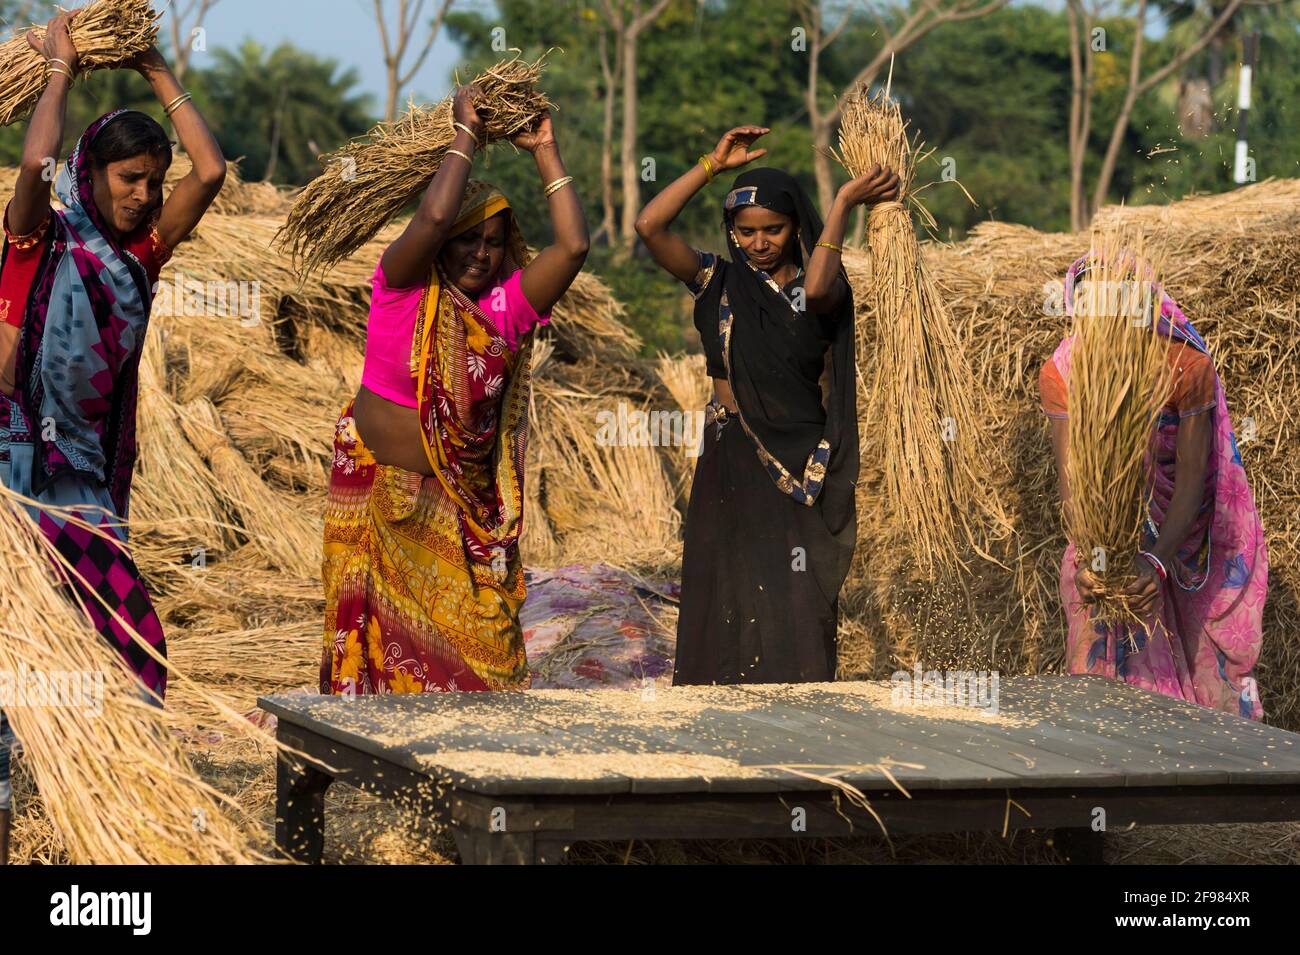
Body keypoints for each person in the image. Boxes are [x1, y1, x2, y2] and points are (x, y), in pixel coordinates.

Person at [0, 11, 227, 863]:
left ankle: (114, 806)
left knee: (131, 643)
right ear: (89, 175)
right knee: (12, 660)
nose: (144, 193)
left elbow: (211, 167)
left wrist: (158, 69)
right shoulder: (37, 241)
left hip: (87, 485)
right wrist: (59, 69)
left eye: (151, 180)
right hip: (14, 477)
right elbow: (32, 160)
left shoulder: (145, 255)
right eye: (129, 177)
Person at [321, 86, 588, 695]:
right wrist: (464, 134)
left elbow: (573, 246)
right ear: (442, 245)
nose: (482, 253)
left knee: (486, 656)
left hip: (459, 503)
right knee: (379, 654)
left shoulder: (503, 311)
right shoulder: (402, 286)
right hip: (375, 494)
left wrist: (546, 149)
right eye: (469, 239)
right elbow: (434, 215)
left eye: (495, 242)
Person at [635, 126, 898, 684]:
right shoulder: (717, 282)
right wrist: (711, 166)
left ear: (797, 225)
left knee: (794, 589)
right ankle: (724, 700)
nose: (759, 242)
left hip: (798, 461)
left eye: (773, 229)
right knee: (724, 578)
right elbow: (648, 226)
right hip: (732, 452)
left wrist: (844, 202)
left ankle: (795, 703)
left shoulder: (813, 290)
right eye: (745, 231)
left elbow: (823, 287)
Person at [1040, 252, 1268, 719]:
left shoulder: (1185, 366)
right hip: (1102, 542)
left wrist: (1155, 562)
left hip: (1186, 543)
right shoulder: (1064, 372)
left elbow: (1190, 482)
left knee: (1210, 695)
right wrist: (1094, 558)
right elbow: (1073, 486)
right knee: (1109, 691)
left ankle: (1212, 777)